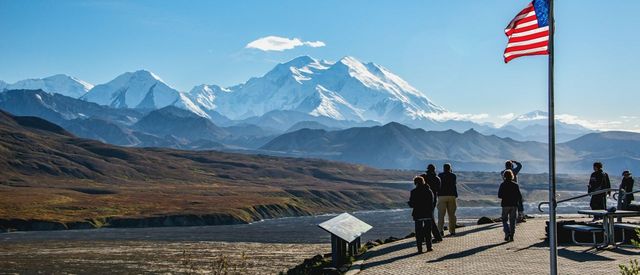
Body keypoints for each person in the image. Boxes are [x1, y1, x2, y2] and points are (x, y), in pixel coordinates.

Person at [408, 176, 434, 253]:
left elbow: (412, 204)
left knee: (418, 232)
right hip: (427, 214)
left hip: (418, 214)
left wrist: (409, 203)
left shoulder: (413, 192)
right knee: (428, 231)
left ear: (415, 183)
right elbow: (431, 203)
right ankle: (429, 247)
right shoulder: (429, 191)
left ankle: (420, 249)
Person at [498, 169, 522, 242]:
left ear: (504, 176)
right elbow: (519, 196)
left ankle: (507, 232)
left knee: (504, 220)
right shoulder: (515, 185)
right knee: (512, 220)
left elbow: (499, 195)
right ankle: (512, 235)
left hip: (505, 205)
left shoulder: (502, 185)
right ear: (512, 176)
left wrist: (505, 196)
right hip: (514, 205)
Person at [420, 164, 443, 242]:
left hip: (423, 200)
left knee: (427, 218)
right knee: (430, 218)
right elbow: (438, 189)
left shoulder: (423, 177)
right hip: (432, 200)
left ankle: (433, 237)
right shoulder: (437, 179)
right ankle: (428, 236)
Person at [437, 163, 458, 237]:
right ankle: (452, 231)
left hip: (442, 196)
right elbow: (454, 183)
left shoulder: (440, 175)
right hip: (452, 195)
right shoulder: (453, 175)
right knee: (452, 215)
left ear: (443, 168)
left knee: (441, 215)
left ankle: (440, 231)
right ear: (450, 168)